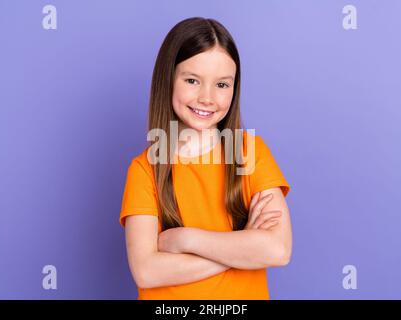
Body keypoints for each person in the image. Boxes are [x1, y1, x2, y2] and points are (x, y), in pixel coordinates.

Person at [119, 17, 292, 300]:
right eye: (192, 80)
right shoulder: (144, 169)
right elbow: (147, 271)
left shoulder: (250, 152)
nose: (207, 98)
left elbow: (277, 250)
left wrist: (186, 239)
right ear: (168, 80)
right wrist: (242, 248)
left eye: (222, 85)